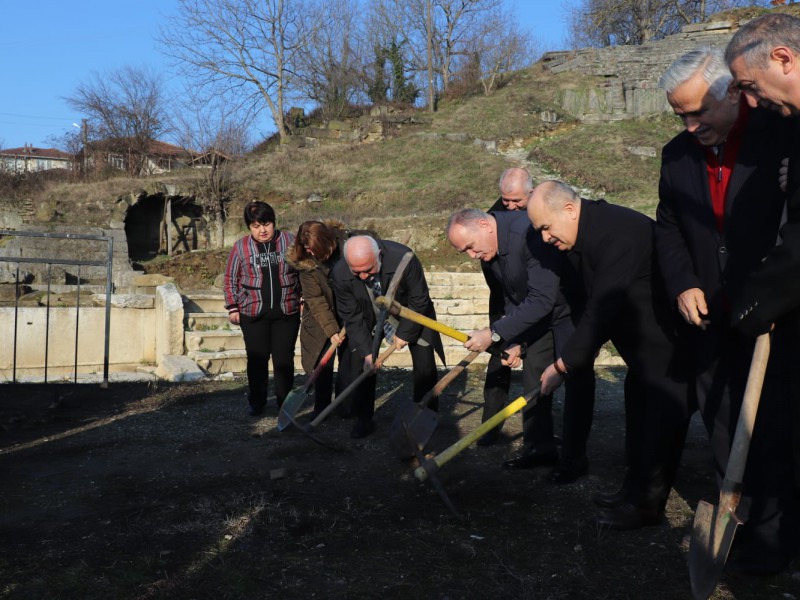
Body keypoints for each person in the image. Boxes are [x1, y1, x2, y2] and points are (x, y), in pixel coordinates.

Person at [657, 47, 798, 575]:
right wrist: (683, 281)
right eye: (681, 116)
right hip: (711, 315)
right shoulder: (676, 156)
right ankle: (738, 524)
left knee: (776, 424)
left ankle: (775, 540)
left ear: (734, 93)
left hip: (774, 309)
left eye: (700, 113)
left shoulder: (780, 136)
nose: (691, 126)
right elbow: (669, 223)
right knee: (721, 421)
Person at [528, 180, 691, 530]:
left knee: (659, 425)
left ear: (569, 210)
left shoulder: (614, 233)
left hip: (666, 347)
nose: (545, 237)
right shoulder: (585, 234)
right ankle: (632, 490)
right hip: (641, 350)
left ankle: (647, 505)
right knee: (637, 416)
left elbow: (602, 307)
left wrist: (564, 363)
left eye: (546, 227)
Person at [446, 208, 595, 483]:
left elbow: (541, 298)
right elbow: (512, 297)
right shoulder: (490, 250)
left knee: (576, 378)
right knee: (534, 381)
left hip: (570, 311)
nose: (470, 255)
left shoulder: (527, 234)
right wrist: (516, 342)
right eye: (463, 251)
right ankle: (540, 449)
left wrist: (493, 333)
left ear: (484, 225)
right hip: (540, 315)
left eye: (469, 246)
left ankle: (574, 459)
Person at [331, 235, 445, 439]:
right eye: (356, 272)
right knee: (364, 365)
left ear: (379, 256)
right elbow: (352, 317)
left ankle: (425, 416)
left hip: (411, 313)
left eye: (368, 270)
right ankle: (364, 419)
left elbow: (419, 300)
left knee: (425, 365)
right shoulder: (340, 272)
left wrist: (405, 334)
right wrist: (367, 353)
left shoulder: (405, 258)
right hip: (368, 315)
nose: (364, 276)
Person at [223, 201, 301, 416]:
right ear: (249, 227)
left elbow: (302, 271)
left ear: (274, 222)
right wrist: (233, 307)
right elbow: (231, 277)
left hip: (287, 312)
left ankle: (284, 403)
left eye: (266, 224)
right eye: (256, 226)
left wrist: (302, 299)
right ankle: (257, 401)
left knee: (284, 359)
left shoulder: (290, 241)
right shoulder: (241, 246)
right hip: (253, 313)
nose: (262, 230)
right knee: (257, 359)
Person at [476, 167, 534, 447]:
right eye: (505, 200)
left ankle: (537, 431)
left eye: (516, 201)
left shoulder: (541, 213)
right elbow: (490, 269)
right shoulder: (491, 219)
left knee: (538, 360)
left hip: (537, 294)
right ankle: (489, 424)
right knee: (498, 356)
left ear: (531, 194)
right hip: (503, 297)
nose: (509, 206)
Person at [287, 220, 351, 417]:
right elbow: (315, 298)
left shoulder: (347, 248)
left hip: (349, 312)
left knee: (349, 362)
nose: (312, 253)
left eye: (315, 249)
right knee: (322, 362)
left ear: (327, 242)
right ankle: (321, 407)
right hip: (320, 316)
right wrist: (331, 330)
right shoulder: (304, 261)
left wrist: (352, 315)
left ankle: (344, 406)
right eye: (307, 249)